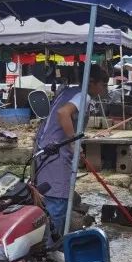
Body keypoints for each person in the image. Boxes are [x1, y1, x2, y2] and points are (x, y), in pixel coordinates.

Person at [34, 65, 110, 239]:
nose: (104, 89)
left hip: (47, 150)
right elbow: (63, 114)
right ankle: (50, 247)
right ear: (92, 83)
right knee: (57, 201)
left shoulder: (68, 92)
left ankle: (49, 243)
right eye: (103, 85)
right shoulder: (83, 96)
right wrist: (74, 144)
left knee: (49, 199)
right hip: (55, 154)